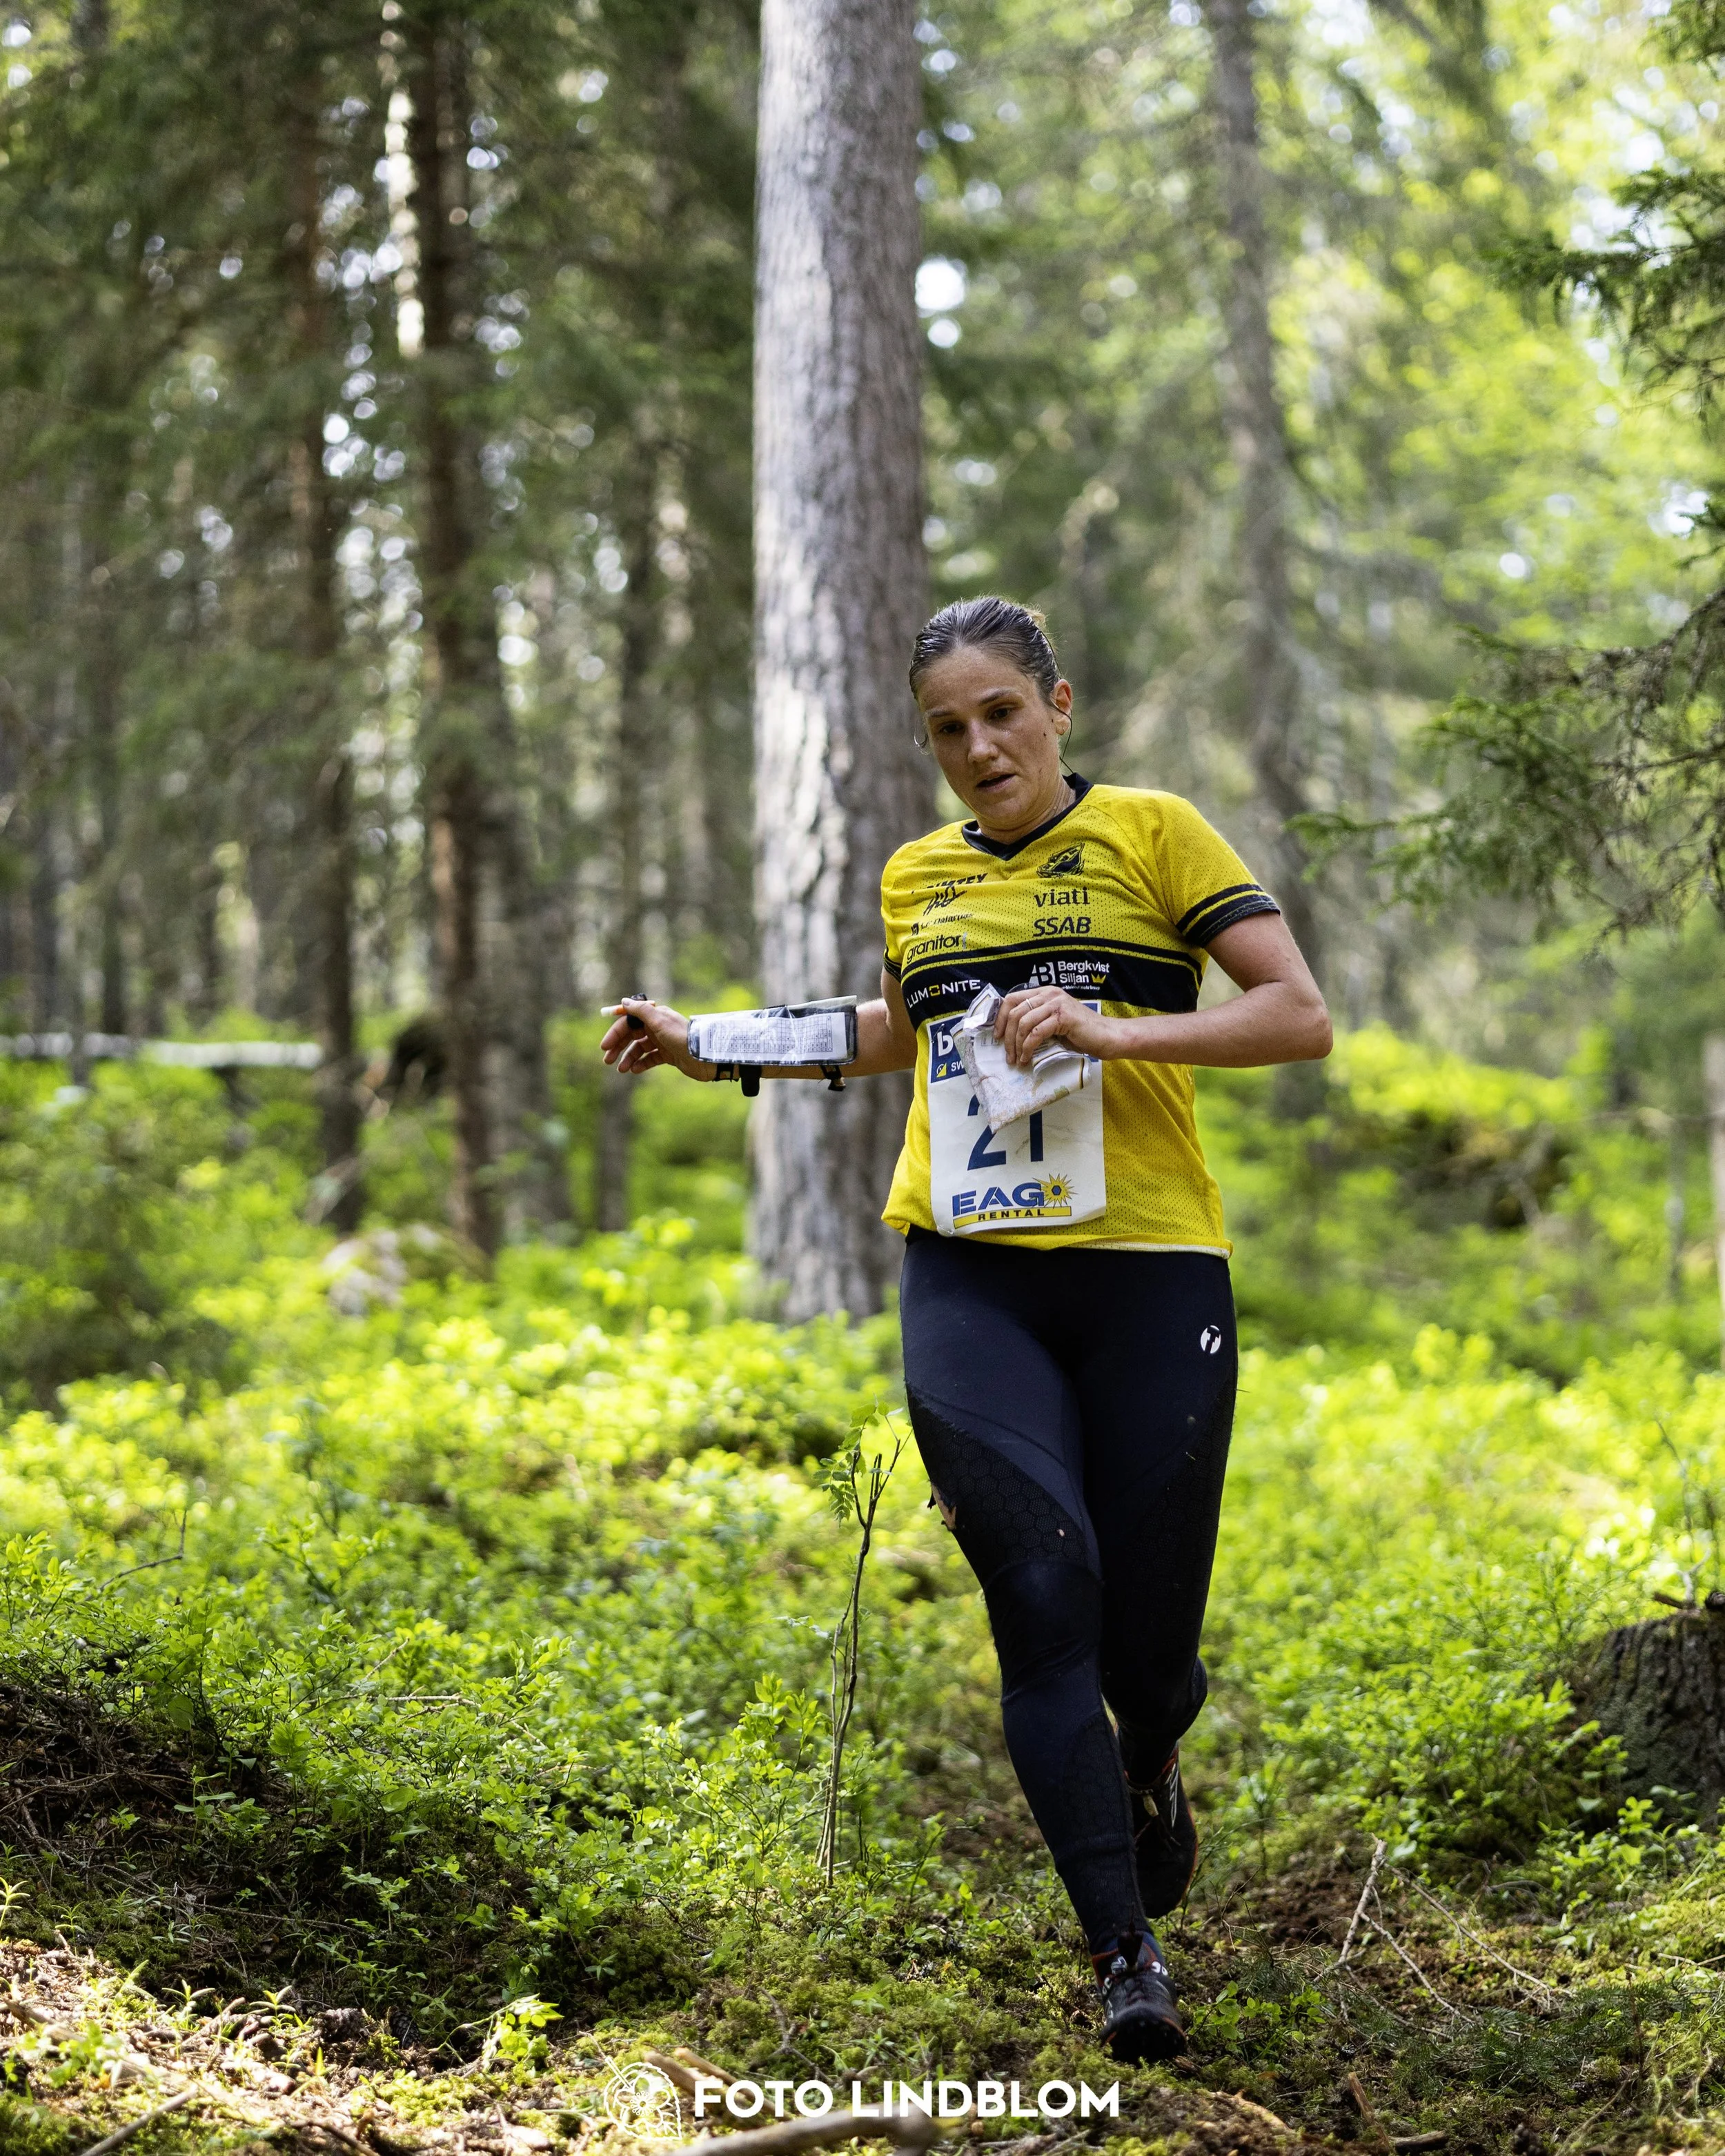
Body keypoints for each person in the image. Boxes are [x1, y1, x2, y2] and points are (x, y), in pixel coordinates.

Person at [599, 597, 1331, 2061]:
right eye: (948, 726)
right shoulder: (916, 875)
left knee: (1145, 1651)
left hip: (1150, 1272)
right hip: (970, 1273)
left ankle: (1155, 1752)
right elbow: (892, 1030)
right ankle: (1124, 1948)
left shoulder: (1153, 832)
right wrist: (712, 1041)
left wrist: (1110, 1029)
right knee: (1041, 1591)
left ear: (1057, 704)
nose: (977, 744)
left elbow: (1294, 1014)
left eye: (1001, 710)